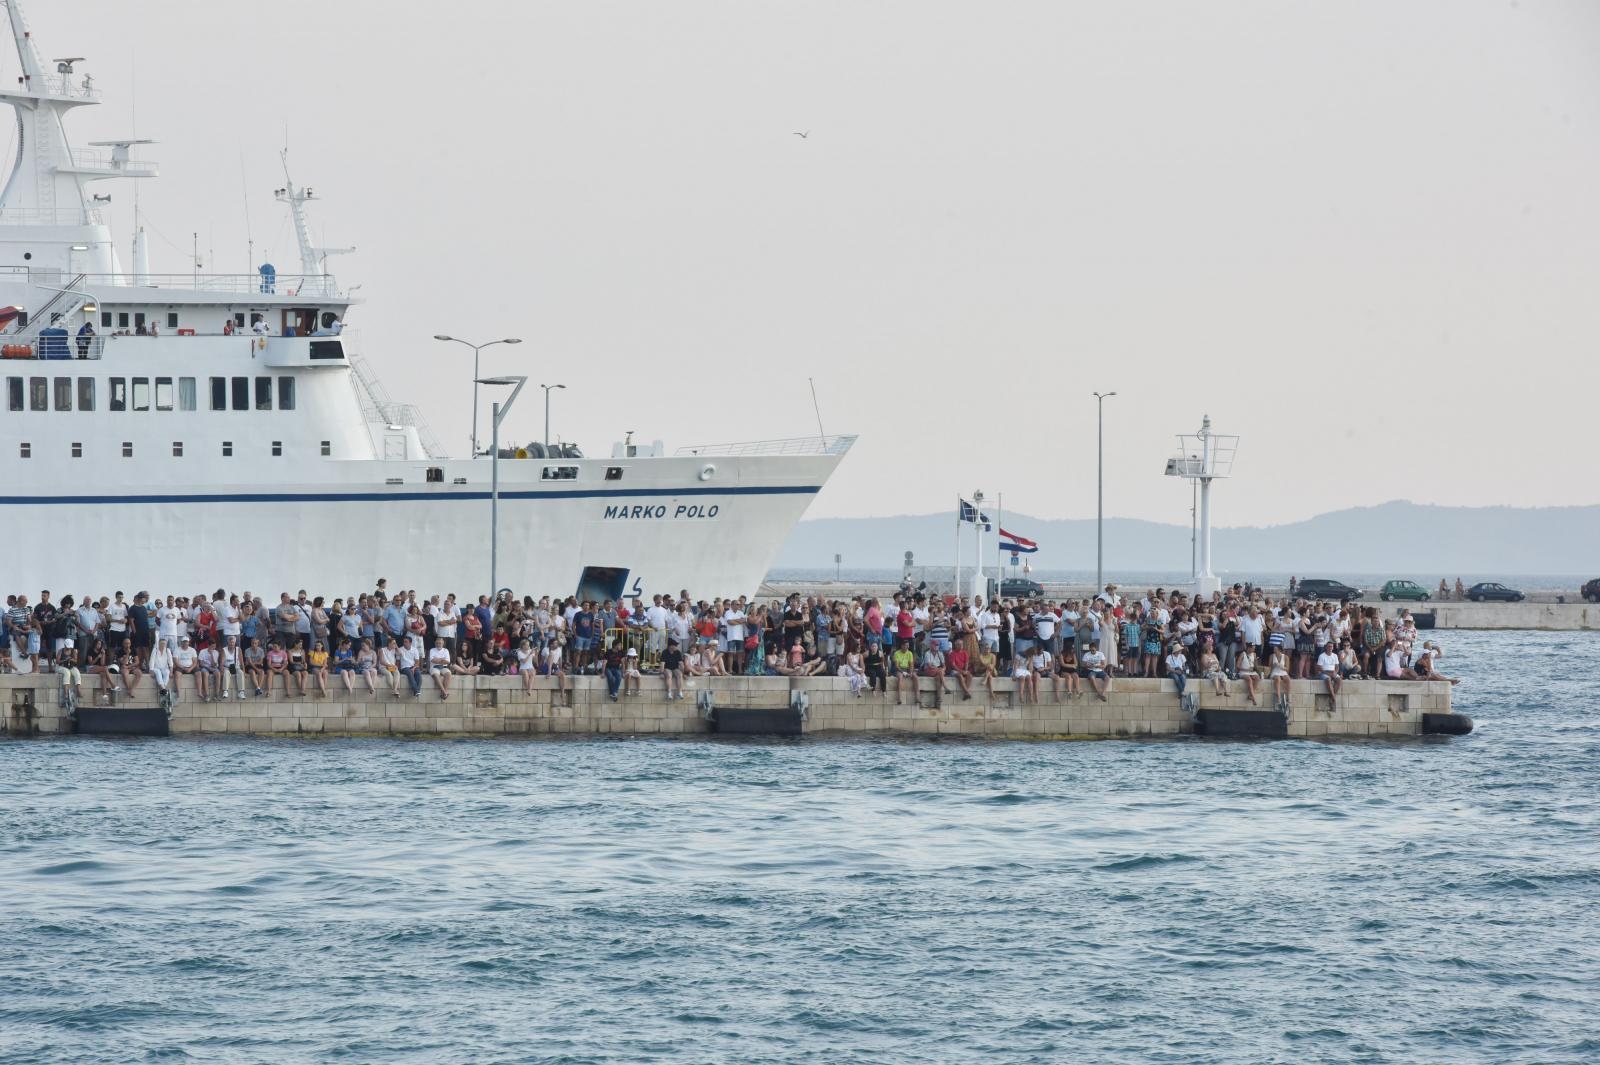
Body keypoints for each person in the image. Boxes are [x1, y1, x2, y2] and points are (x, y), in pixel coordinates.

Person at [1315, 641, 1341, 710]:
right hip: (1324, 673)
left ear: (1333, 647)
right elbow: (1319, 668)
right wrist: (1328, 674)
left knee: (1339, 679)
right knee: (1328, 679)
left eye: (1331, 646)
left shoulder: (1335, 655)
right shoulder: (1322, 656)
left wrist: (1335, 672)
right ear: (1326, 647)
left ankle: (1332, 697)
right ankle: (1334, 698)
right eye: (1329, 646)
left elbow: (1337, 666)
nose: (1330, 648)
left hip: (1333, 672)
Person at [1268, 645, 1291, 713]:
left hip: (1282, 671)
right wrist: (1273, 665)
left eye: (1276, 649)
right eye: (1274, 649)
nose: (1274, 651)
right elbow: (1269, 666)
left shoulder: (1285, 657)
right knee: (1277, 679)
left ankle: (1288, 698)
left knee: (1288, 679)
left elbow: (1287, 668)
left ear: (1279, 650)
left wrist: (1281, 666)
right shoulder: (1272, 656)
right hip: (1275, 671)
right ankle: (1279, 699)